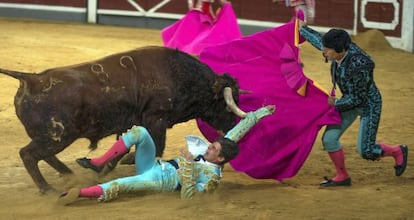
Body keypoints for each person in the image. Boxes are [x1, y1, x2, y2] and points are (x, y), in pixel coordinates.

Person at [57, 105, 275, 205]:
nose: (209, 147)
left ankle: (79, 193)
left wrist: (189, 165)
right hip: (154, 165)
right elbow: (234, 134)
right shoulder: (222, 149)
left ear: (220, 160)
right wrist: (258, 114)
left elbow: (189, 198)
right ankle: (98, 162)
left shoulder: (212, 179)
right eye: (212, 146)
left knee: (121, 184)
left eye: (213, 150)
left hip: (157, 181)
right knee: (140, 132)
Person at [298, 23, 408, 187]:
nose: (324, 51)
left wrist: (334, 104)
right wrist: (301, 29)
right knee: (329, 139)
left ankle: (397, 151)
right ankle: (342, 176)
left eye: (327, 50)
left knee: (366, 151)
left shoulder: (360, 65)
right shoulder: (337, 48)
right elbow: (319, 41)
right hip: (347, 100)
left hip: (368, 104)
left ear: (340, 50)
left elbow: (357, 99)